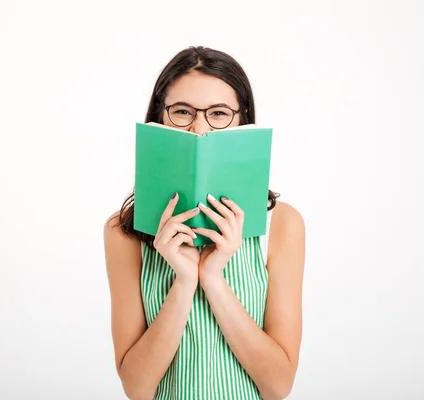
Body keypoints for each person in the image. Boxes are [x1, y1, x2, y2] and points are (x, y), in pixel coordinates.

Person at [103, 46, 306, 400]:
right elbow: (137, 388)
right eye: (182, 112)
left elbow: (278, 386)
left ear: (242, 120)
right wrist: (183, 283)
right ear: (159, 118)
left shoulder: (282, 225)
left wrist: (212, 278)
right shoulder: (123, 232)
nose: (199, 128)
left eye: (219, 113)